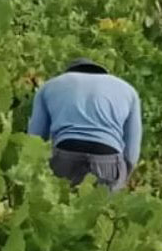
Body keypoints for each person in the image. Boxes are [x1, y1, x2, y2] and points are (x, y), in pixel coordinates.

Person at [28, 58, 142, 192]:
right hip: (108, 156)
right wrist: (121, 177)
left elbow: (35, 139)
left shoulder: (49, 86)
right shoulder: (128, 90)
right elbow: (131, 152)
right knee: (102, 210)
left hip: (65, 154)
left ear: (69, 72)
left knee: (60, 207)